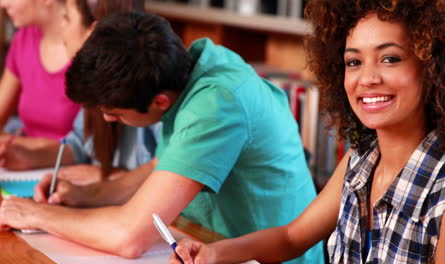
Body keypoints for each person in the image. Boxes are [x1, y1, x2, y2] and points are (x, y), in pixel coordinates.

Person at [0, 11, 324, 264]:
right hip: (206, 243)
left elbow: (129, 238)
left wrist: (33, 213)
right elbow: (165, 166)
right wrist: (89, 195)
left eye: (115, 113)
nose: (107, 119)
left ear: (159, 102)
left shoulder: (215, 104)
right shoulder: (196, 66)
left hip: (265, 259)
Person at [166, 0, 445, 264]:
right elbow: (291, 238)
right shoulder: (360, 159)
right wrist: (214, 254)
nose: (367, 78)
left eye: (390, 58)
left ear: (434, 67)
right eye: (354, 62)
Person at [0, 0, 157, 189]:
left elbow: (171, 174)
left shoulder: (154, 90)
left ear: (94, 32)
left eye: (67, 18)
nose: (62, 28)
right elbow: (79, 144)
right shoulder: (94, 80)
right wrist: (28, 156)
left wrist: (109, 176)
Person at [0, 0, 80, 140]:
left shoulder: (87, 45)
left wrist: (21, 149)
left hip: (66, 160)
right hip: (25, 157)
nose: (3, 4)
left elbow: (86, 149)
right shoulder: (24, 38)